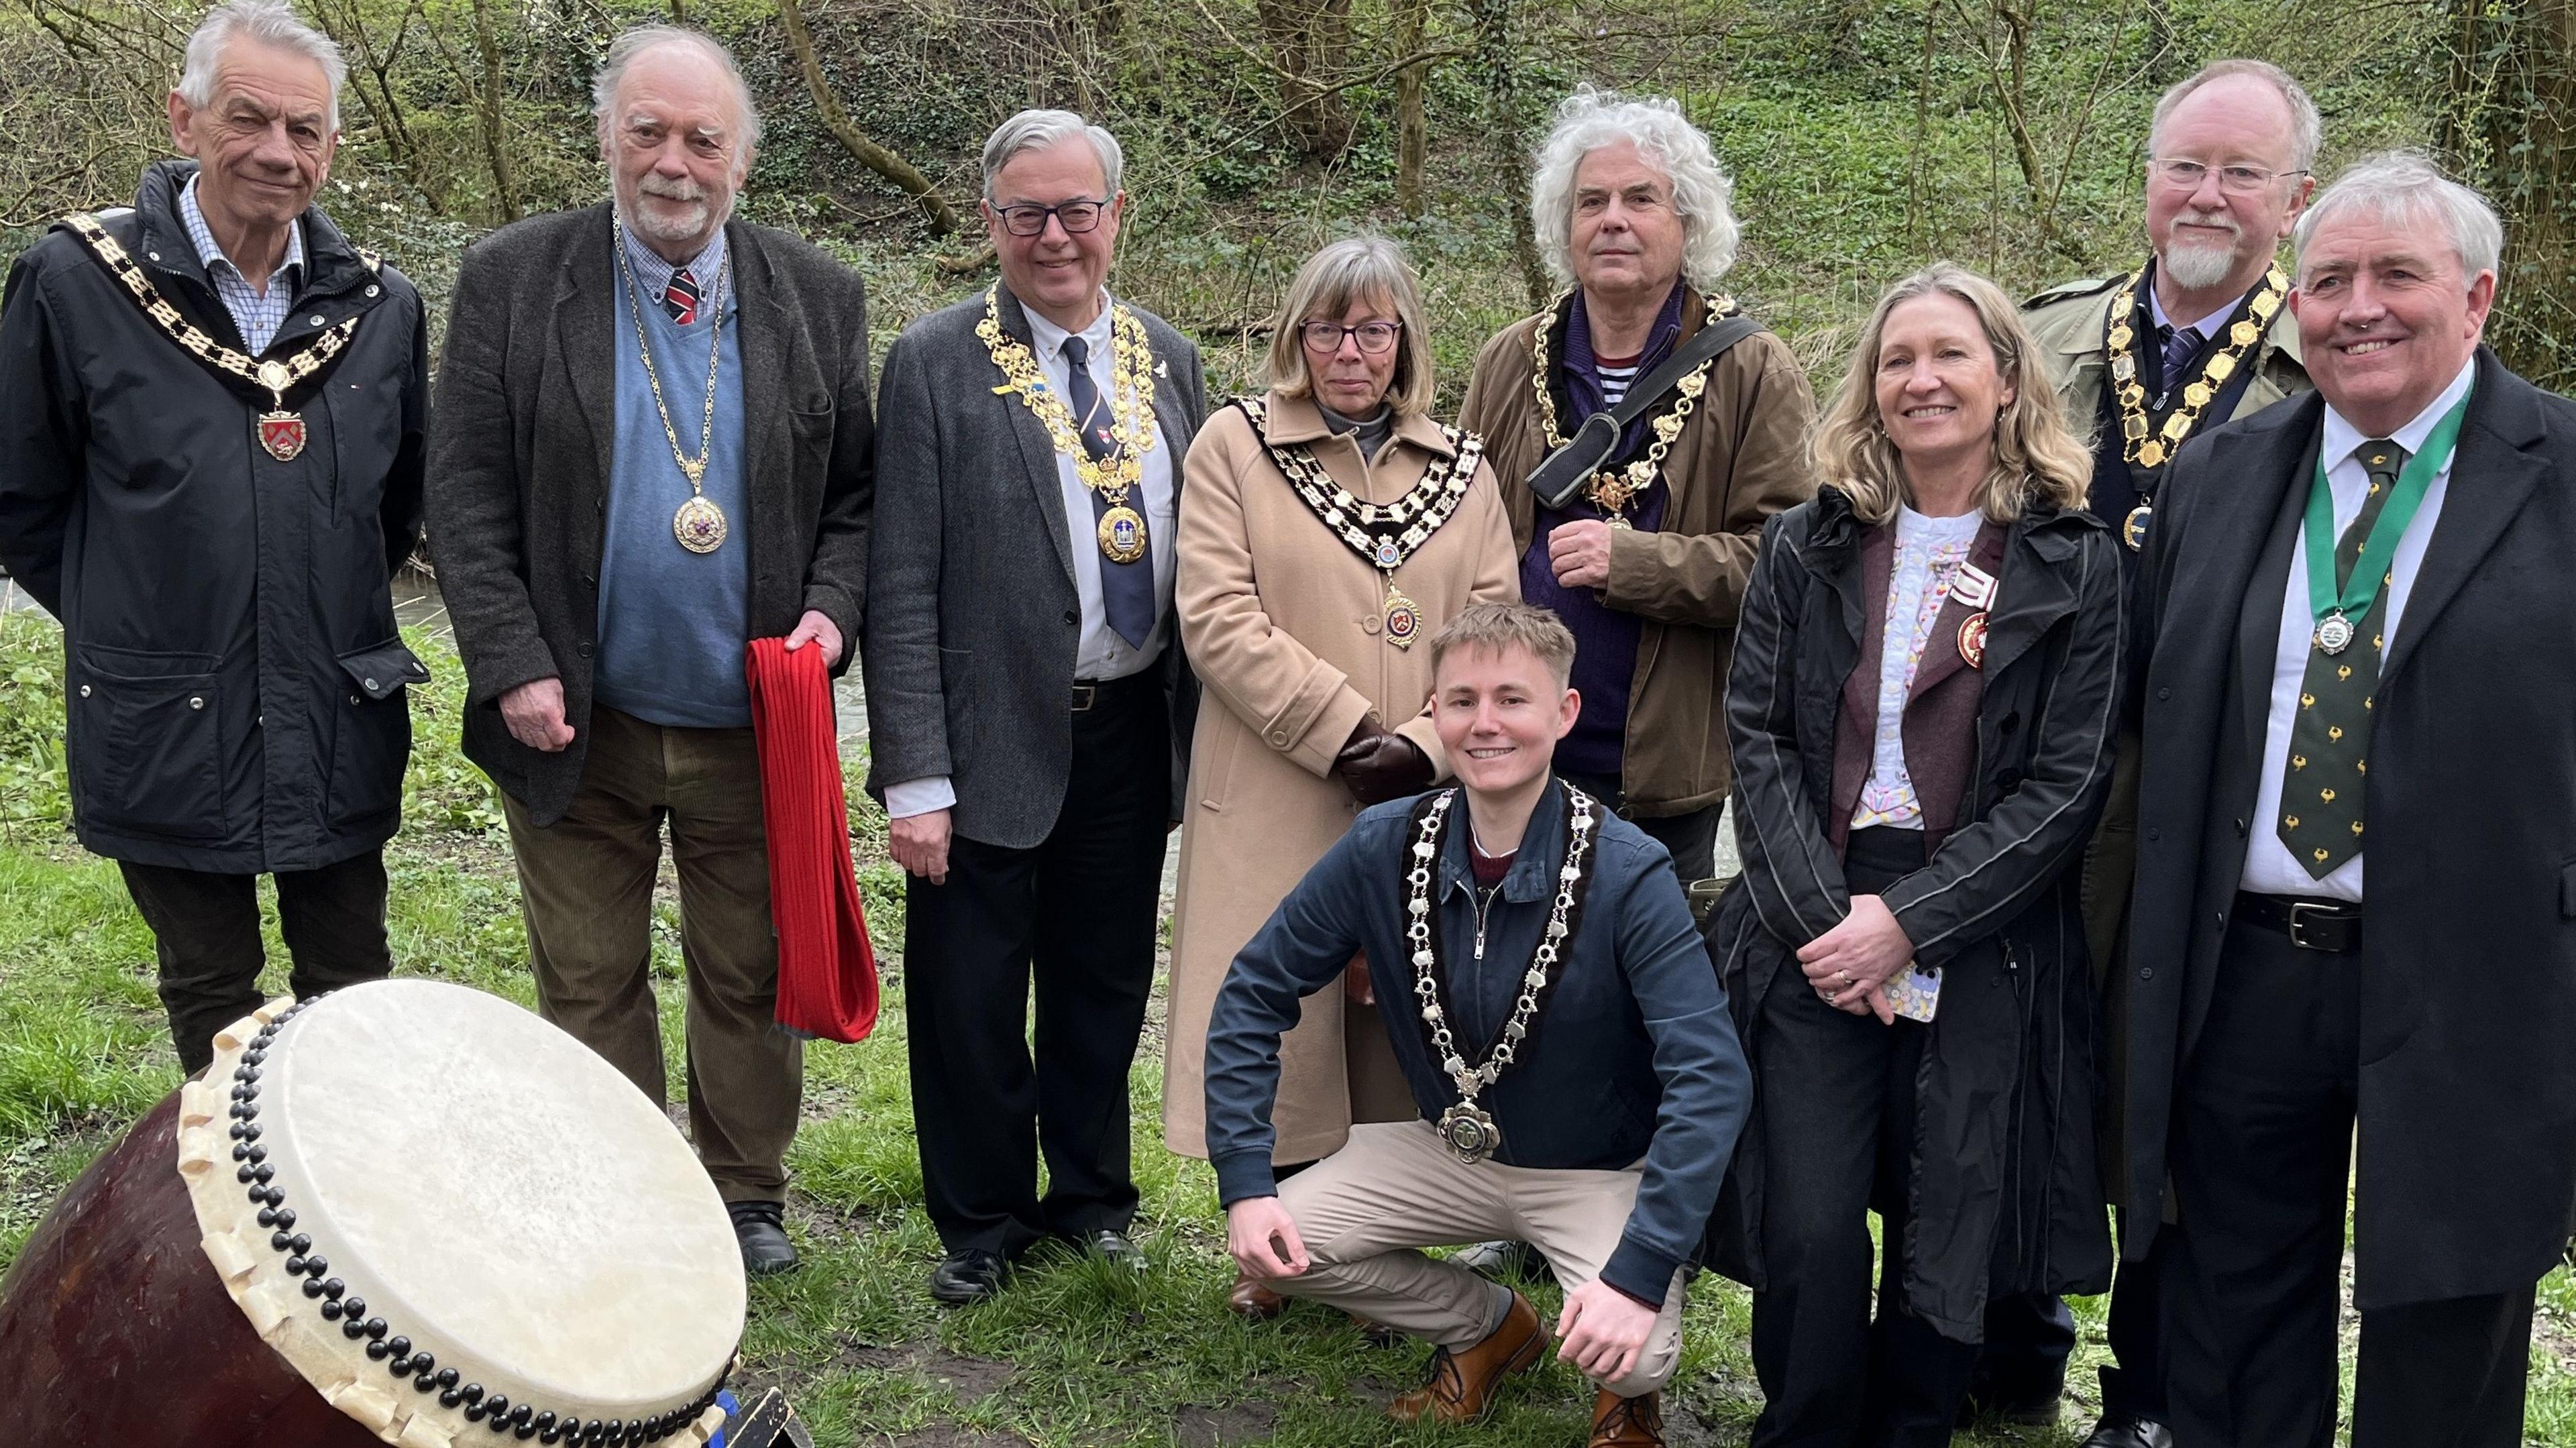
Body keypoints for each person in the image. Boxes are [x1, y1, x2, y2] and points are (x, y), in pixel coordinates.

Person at [2125, 152, 2576, 1448]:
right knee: (2233, 1306)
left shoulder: (2563, 471)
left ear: (2479, 296)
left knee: (2449, 1310)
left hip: (2479, 967)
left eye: (2397, 275)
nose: (2357, 306)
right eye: (2327, 280)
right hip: (2253, 963)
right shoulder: (2221, 474)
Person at [425, 24, 875, 1276]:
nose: (673, 163)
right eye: (649, 132)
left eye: (702, 139)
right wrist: (511, 656)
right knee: (588, 972)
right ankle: (616, 1179)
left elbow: (856, 497)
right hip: (576, 713)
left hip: (753, 721)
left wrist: (832, 612)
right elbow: (460, 493)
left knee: (750, 970)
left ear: (743, 161)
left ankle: (742, 1193)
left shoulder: (819, 295)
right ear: (608, 138)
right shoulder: (515, 277)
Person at [1703, 262, 2123, 1447]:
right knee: (1813, 1222)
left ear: (2005, 379)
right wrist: (1824, 919)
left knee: (1951, 1217)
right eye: (1898, 359)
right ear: (1871, 387)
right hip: (1816, 908)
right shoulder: (1810, 541)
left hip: (1979, 921)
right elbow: (1760, 734)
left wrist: (1914, 921)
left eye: (1949, 355)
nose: (1922, 380)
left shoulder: (2074, 559)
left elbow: (2068, 781)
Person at [1986, 59, 2318, 1447]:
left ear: (2294, 200)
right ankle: (2001, 1344)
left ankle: (2150, 1389)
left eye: (2245, 173)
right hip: (2018, 770)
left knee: (2170, 1083)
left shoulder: (2329, 367)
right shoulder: (2037, 340)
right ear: (2146, 178)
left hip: (2204, 786)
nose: (2209, 195)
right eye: (2187, 165)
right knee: (2008, 1053)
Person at [0, 0, 425, 1075]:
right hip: (164, 711)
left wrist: (302, 601)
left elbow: (395, 506)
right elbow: (20, 499)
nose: (277, 153)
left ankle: (346, 1204)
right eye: (249, 119)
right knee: (211, 989)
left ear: (333, 146)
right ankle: (228, 1214)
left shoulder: (381, 307)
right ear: (183, 118)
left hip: (338, 702)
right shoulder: (75, 282)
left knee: (353, 977)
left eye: (305, 130)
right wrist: (136, 607)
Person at [1208, 602, 1748, 1448]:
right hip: (1447, 1148)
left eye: (1512, 699)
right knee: (1275, 1245)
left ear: (1563, 714)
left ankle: (1624, 1393)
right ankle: (1489, 1324)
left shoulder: (1631, 870)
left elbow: (1710, 1074)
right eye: (1461, 701)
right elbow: (1254, 988)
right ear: (1435, 712)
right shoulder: (1382, 843)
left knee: (1636, 1353)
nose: (1485, 723)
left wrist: (1640, 1270)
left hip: (1595, 1167)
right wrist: (1245, 1177)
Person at [863, 110, 1207, 1306]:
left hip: (1125, 725)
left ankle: (1094, 1199)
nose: (1054, 236)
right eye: (1027, 213)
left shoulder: (1167, 356)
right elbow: (898, 578)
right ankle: (982, 1215)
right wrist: (913, 773)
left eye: (1076, 210)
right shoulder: (933, 361)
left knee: (1103, 978)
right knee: (967, 993)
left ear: (1118, 215)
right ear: (991, 221)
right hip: (984, 732)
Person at [1159, 235, 1519, 1318]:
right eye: (1327, 327)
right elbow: (1217, 617)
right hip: (1275, 790)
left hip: (1423, 796)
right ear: (1295, 335)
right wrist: (1347, 730)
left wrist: (1421, 745)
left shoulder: (1463, 464)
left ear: (1404, 338)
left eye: (1372, 328)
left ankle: (1371, 1238)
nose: (1348, 351)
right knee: (1282, 1024)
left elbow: (1498, 629)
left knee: (1390, 1022)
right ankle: (1269, 1246)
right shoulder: (1236, 446)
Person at [1456, 86, 1814, 887]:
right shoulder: (1510, 361)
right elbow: (1455, 530)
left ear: (1686, 224)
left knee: (1628, 992)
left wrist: (1639, 566)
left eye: (1640, 198)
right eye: (1592, 201)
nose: (1612, 218)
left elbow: (1789, 565)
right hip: (1507, 748)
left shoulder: (1753, 370)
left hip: (1658, 768)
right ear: (1566, 227)